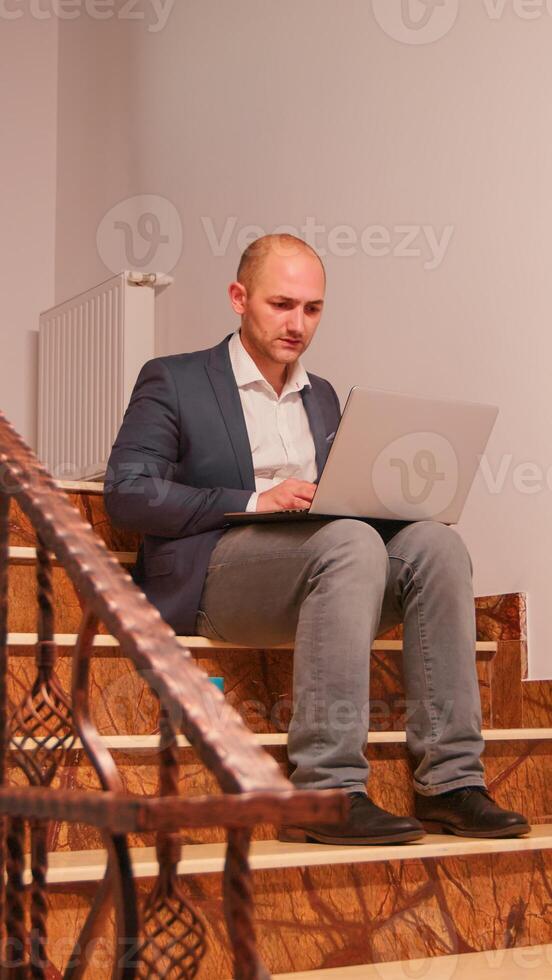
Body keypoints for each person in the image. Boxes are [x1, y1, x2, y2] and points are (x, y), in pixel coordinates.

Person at [105, 233, 530, 845]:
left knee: (436, 546)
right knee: (351, 544)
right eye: (281, 305)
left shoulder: (323, 395)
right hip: (214, 577)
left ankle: (452, 784)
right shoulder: (174, 379)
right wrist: (253, 499)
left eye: (312, 309)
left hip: (322, 568)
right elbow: (127, 493)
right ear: (238, 298)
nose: (297, 323)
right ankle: (326, 790)